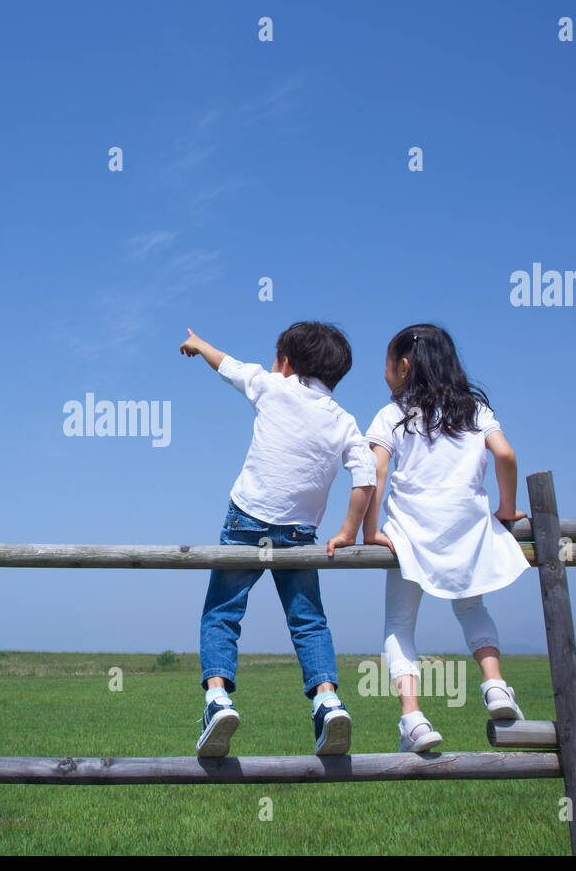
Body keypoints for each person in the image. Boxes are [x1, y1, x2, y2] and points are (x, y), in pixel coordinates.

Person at [179, 322, 376, 757]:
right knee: (308, 622)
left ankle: (217, 699)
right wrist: (349, 531)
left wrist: (197, 344)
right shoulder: (344, 421)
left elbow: (226, 365)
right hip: (300, 536)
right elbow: (366, 474)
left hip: (245, 522)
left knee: (221, 614)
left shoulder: (272, 387)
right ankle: (327, 701)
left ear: (287, 364)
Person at [348, 323, 529, 753]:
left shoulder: (392, 415)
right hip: (466, 531)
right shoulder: (474, 412)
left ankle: (413, 719)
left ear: (404, 366)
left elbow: (376, 471)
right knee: (472, 609)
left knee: (398, 625)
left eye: (387, 366)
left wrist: (369, 531)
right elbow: (505, 454)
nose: (385, 375)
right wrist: (506, 508)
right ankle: (496, 687)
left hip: (411, 535)